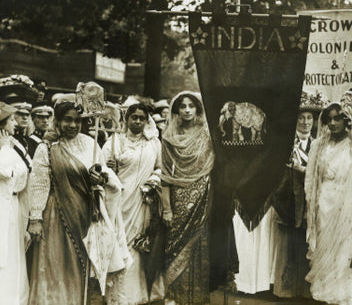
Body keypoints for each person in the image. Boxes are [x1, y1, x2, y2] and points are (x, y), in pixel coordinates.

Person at [27, 101, 128, 305]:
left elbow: (105, 176)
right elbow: (39, 184)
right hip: (57, 215)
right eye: (68, 120)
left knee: (82, 265)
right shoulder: (46, 147)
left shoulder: (90, 144)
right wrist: (35, 218)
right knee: (56, 264)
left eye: (77, 121)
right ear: (58, 121)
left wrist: (100, 180)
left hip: (85, 212)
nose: (73, 125)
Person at [304, 103, 352, 305]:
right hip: (324, 202)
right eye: (329, 120)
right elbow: (310, 177)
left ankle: (344, 294)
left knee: (345, 247)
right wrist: (311, 203)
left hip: (348, 202)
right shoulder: (318, 144)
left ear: (346, 121)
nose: (333, 123)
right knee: (324, 247)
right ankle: (325, 293)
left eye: (337, 119)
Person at [103, 103, 164, 304]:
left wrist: (152, 182)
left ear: (147, 120)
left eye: (141, 118)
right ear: (126, 119)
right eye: (133, 117)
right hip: (118, 200)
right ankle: (116, 297)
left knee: (138, 245)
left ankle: (137, 295)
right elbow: (100, 170)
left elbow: (161, 168)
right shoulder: (115, 142)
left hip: (142, 201)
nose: (137, 121)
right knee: (118, 243)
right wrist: (109, 169)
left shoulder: (153, 143)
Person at [161, 92, 215, 305]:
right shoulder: (168, 137)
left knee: (199, 246)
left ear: (198, 109)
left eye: (191, 106)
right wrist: (167, 208)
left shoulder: (207, 135)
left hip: (202, 195)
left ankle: (198, 298)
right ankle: (175, 297)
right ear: (176, 110)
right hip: (178, 198)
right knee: (176, 246)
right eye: (182, 106)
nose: (187, 110)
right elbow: (165, 175)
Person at [272, 96, 323, 299]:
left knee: (307, 245)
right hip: (287, 201)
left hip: (311, 202)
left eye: (309, 117)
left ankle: (305, 291)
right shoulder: (285, 145)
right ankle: (285, 291)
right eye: (301, 117)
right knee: (287, 246)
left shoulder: (318, 144)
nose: (305, 122)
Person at [0, 101, 30, 305]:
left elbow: (24, 172)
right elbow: (6, 172)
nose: (15, 124)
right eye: (11, 120)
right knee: (6, 253)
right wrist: (5, 150)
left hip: (13, 205)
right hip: (4, 205)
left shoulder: (11, 144)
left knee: (15, 253)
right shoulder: (5, 148)